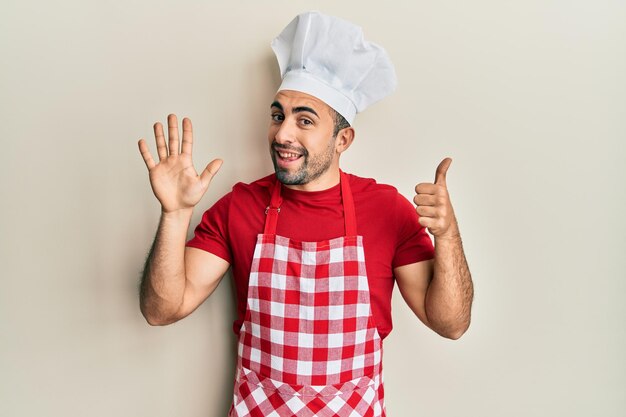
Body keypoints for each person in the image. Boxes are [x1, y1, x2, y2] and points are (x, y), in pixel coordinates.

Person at [138, 11, 473, 417]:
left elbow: (451, 324)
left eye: (305, 120)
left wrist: (449, 235)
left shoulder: (387, 210)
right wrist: (175, 215)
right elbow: (161, 310)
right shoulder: (239, 208)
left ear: (343, 139)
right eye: (278, 115)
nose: (282, 134)